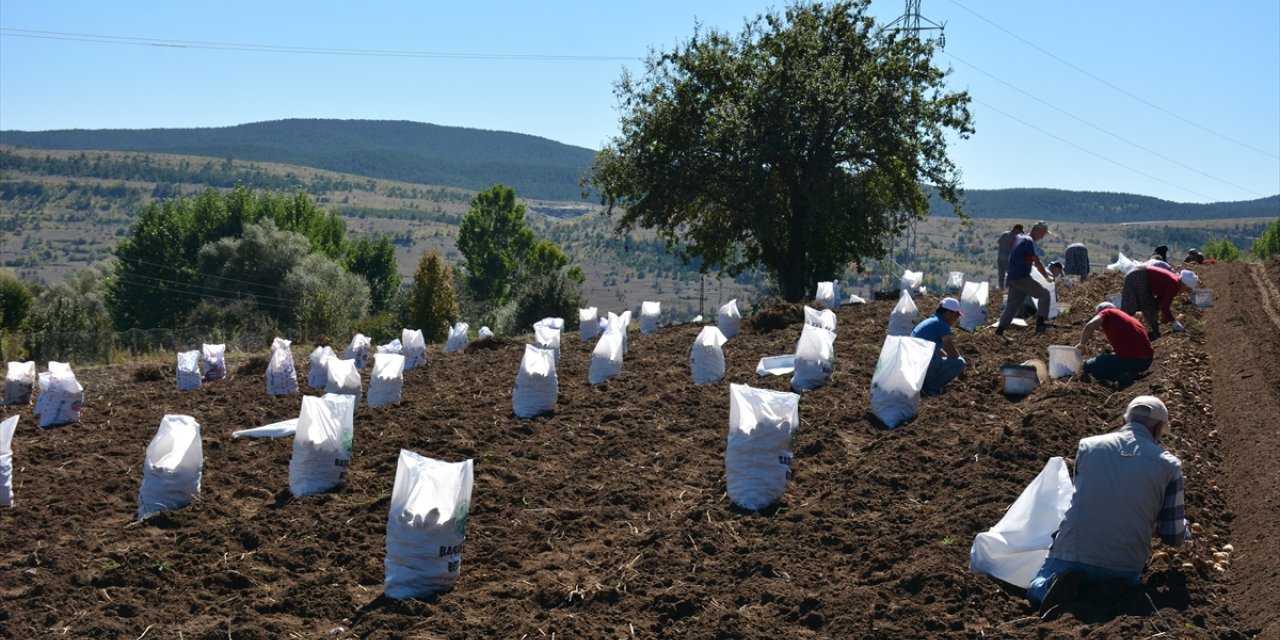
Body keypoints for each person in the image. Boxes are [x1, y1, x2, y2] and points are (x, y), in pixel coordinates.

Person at [1027, 396, 1188, 613]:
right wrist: (1185, 529)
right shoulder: (1170, 466)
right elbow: (1172, 536)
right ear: (1158, 429)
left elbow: (1083, 496)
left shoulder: (1088, 446)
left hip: (1072, 553)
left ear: (1124, 421)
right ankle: (1102, 592)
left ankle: (1049, 589)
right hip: (1123, 566)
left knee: (1035, 586)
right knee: (1123, 588)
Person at [995, 221, 1054, 336]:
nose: (1043, 237)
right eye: (1043, 233)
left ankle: (999, 331)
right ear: (1037, 230)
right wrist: (1046, 277)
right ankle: (1040, 325)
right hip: (1021, 277)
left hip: (1012, 277)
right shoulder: (1029, 241)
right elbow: (1037, 262)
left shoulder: (1021, 238)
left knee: (1012, 307)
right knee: (1044, 294)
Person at [1075, 302, 1153, 385]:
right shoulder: (1125, 318)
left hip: (1134, 361)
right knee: (1108, 359)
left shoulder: (1108, 312)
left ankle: (1123, 376)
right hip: (1146, 361)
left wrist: (1082, 344)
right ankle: (1131, 374)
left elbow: (1090, 326)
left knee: (1088, 366)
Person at [1120, 266, 1198, 340]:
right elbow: (1165, 306)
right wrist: (1173, 322)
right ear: (1185, 285)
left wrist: (1158, 310)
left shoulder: (1174, 281)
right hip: (1139, 276)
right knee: (1134, 305)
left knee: (1148, 304)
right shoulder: (1174, 285)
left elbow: (1160, 301)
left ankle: (1153, 330)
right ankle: (1123, 332)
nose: (1184, 291)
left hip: (1137, 274)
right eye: (1187, 289)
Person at [910, 297, 967, 396]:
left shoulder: (932, 321)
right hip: (920, 369)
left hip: (910, 368)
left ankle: (924, 385)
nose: (956, 319)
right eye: (956, 315)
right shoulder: (942, 325)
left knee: (940, 358)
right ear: (948, 314)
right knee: (960, 363)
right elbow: (952, 353)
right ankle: (929, 389)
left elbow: (939, 350)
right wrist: (960, 369)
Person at [996, 224, 1023, 288]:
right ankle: (1007, 289)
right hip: (1008, 259)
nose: (1019, 233)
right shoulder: (1015, 238)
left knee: (1001, 275)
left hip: (1000, 257)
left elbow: (998, 242)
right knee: (1010, 275)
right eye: (1019, 231)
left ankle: (1001, 289)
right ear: (1016, 229)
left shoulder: (1004, 234)